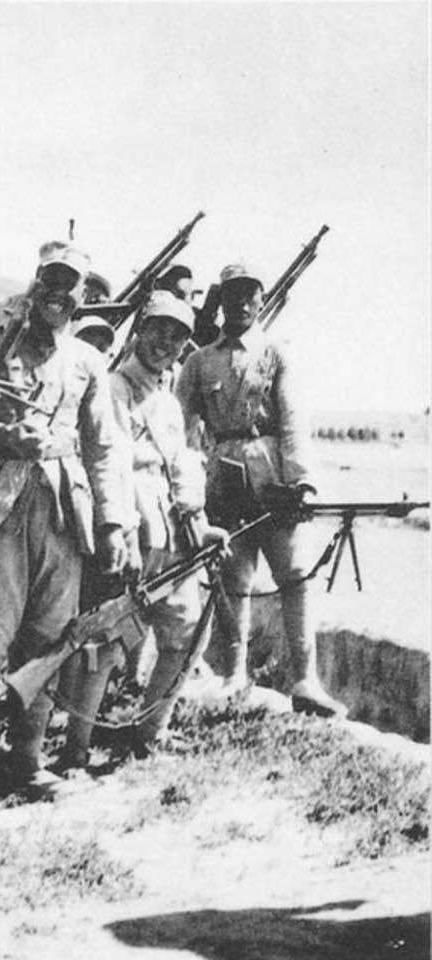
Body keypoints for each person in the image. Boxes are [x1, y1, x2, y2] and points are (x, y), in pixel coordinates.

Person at [0, 240, 133, 805]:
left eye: (70, 286)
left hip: (63, 511)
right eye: (49, 281)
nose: (58, 294)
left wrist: (113, 523)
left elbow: (103, 449)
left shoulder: (87, 361)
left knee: (52, 639)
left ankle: (26, 761)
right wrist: (1, 437)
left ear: (83, 297)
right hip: (2, 505)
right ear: (34, 285)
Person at [59, 291, 229, 766]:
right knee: (106, 642)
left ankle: (149, 733)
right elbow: (109, 464)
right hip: (130, 528)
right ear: (139, 332)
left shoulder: (168, 402)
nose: (165, 343)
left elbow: (183, 464)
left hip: (171, 532)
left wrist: (201, 524)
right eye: (158, 331)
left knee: (185, 633)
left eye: (177, 337)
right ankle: (75, 750)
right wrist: (120, 529)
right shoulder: (112, 389)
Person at [175, 263, 345, 717]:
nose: (241, 303)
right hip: (222, 479)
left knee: (296, 576)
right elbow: (180, 431)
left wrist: (302, 482)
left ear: (261, 299)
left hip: (273, 480)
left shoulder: (275, 354)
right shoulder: (198, 361)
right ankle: (234, 675)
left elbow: (292, 421)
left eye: (250, 294)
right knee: (233, 580)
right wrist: (187, 486)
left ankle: (305, 680)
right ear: (221, 300)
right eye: (232, 294)